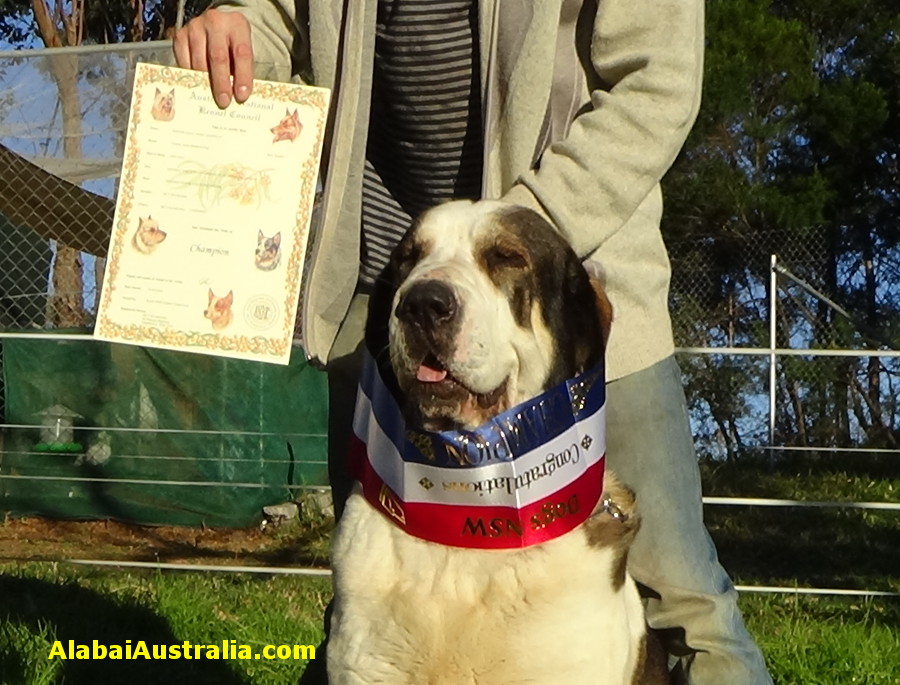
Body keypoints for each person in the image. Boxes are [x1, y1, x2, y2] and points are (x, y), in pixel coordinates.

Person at [174, 2, 773, 683]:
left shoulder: (547, 270)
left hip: (566, 289)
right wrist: (238, 30)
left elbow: (657, 80)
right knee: (375, 601)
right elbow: (275, 13)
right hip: (385, 292)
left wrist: (525, 243)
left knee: (687, 604)